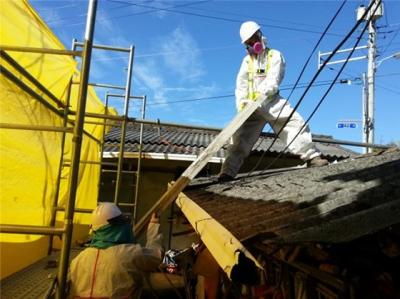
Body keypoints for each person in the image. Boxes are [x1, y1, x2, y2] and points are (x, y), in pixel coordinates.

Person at [219, 21, 328, 182]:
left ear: (260, 36)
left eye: (253, 39)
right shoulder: (246, 61)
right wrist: (242, 105)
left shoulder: (274, 55)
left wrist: (262, 95)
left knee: (294, 123)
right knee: (239, 138)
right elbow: (240, 86)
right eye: (248, 43)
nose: (252, 45)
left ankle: (312, 157)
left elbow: (273, 79)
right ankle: (227, 172)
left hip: (271, 102)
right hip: (250, 107)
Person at [68, 202, 163, 299]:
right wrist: (153, 226)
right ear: (117, 225)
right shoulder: (129, 253)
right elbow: (155, 256)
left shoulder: (78, 260)